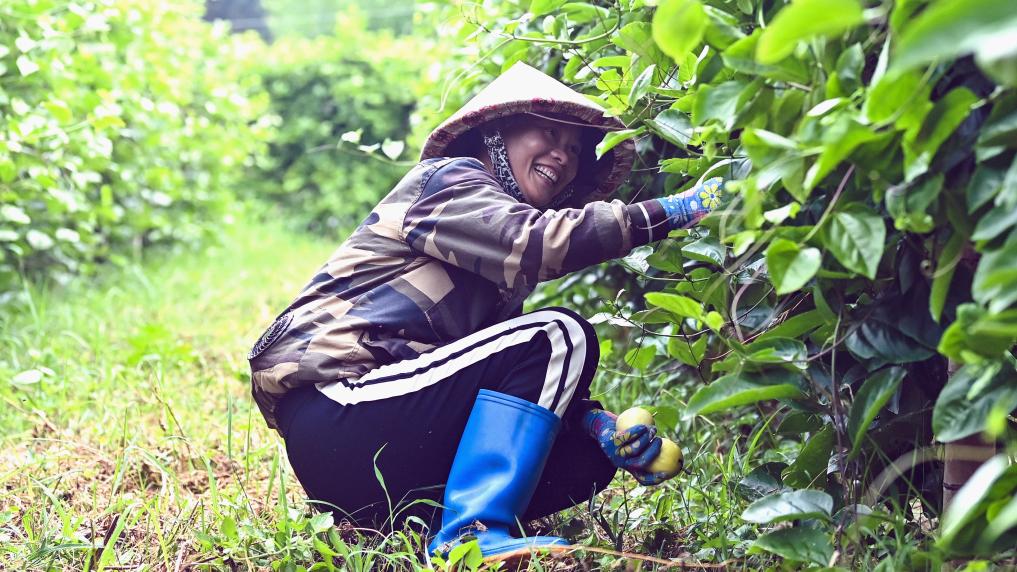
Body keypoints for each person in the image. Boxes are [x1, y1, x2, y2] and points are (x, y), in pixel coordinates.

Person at [247, 62, 724, 560]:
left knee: (587, 460)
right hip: (339, 410)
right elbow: (539, 241)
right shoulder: (449, 180)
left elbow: (490, 381)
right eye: (549, 132)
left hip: (376, 466)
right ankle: (470, 535)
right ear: (495, 132)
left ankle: (447, 528)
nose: (562, 154)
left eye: (576, 149)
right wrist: (684, 208)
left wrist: (598, 427)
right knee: (559, 334)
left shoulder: (492, 272)